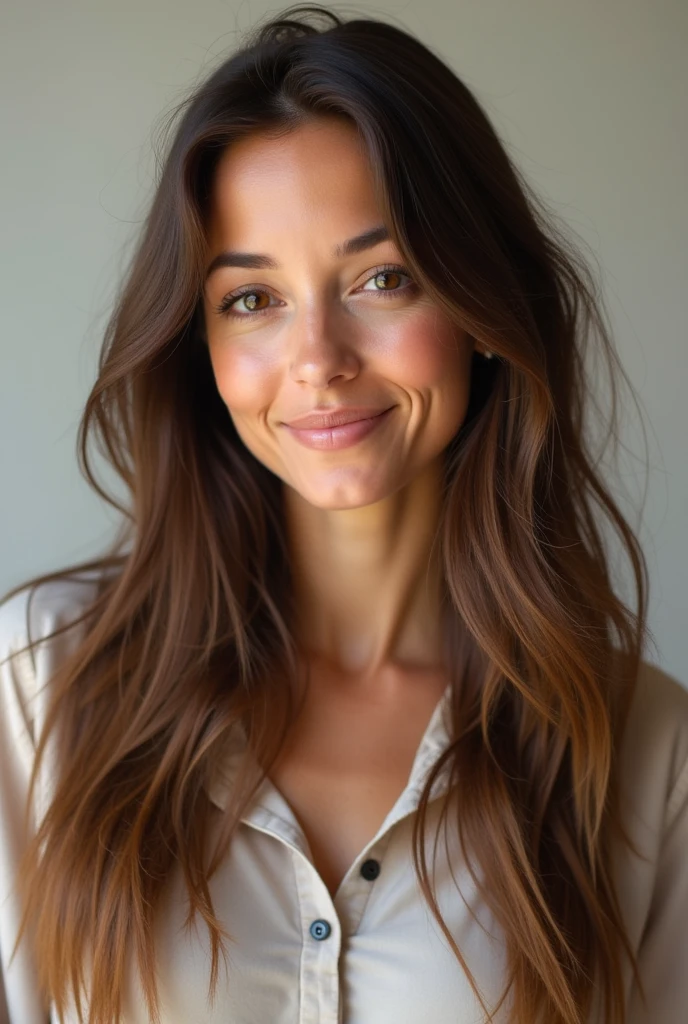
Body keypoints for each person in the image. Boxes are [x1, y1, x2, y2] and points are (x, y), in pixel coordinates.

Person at [1, 4, 687, 1023]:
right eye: (251, 299)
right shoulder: (39, 685)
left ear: (479, 309)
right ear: (201, 348)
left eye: (382, 278)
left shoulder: (638, 749)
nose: (318, 358)